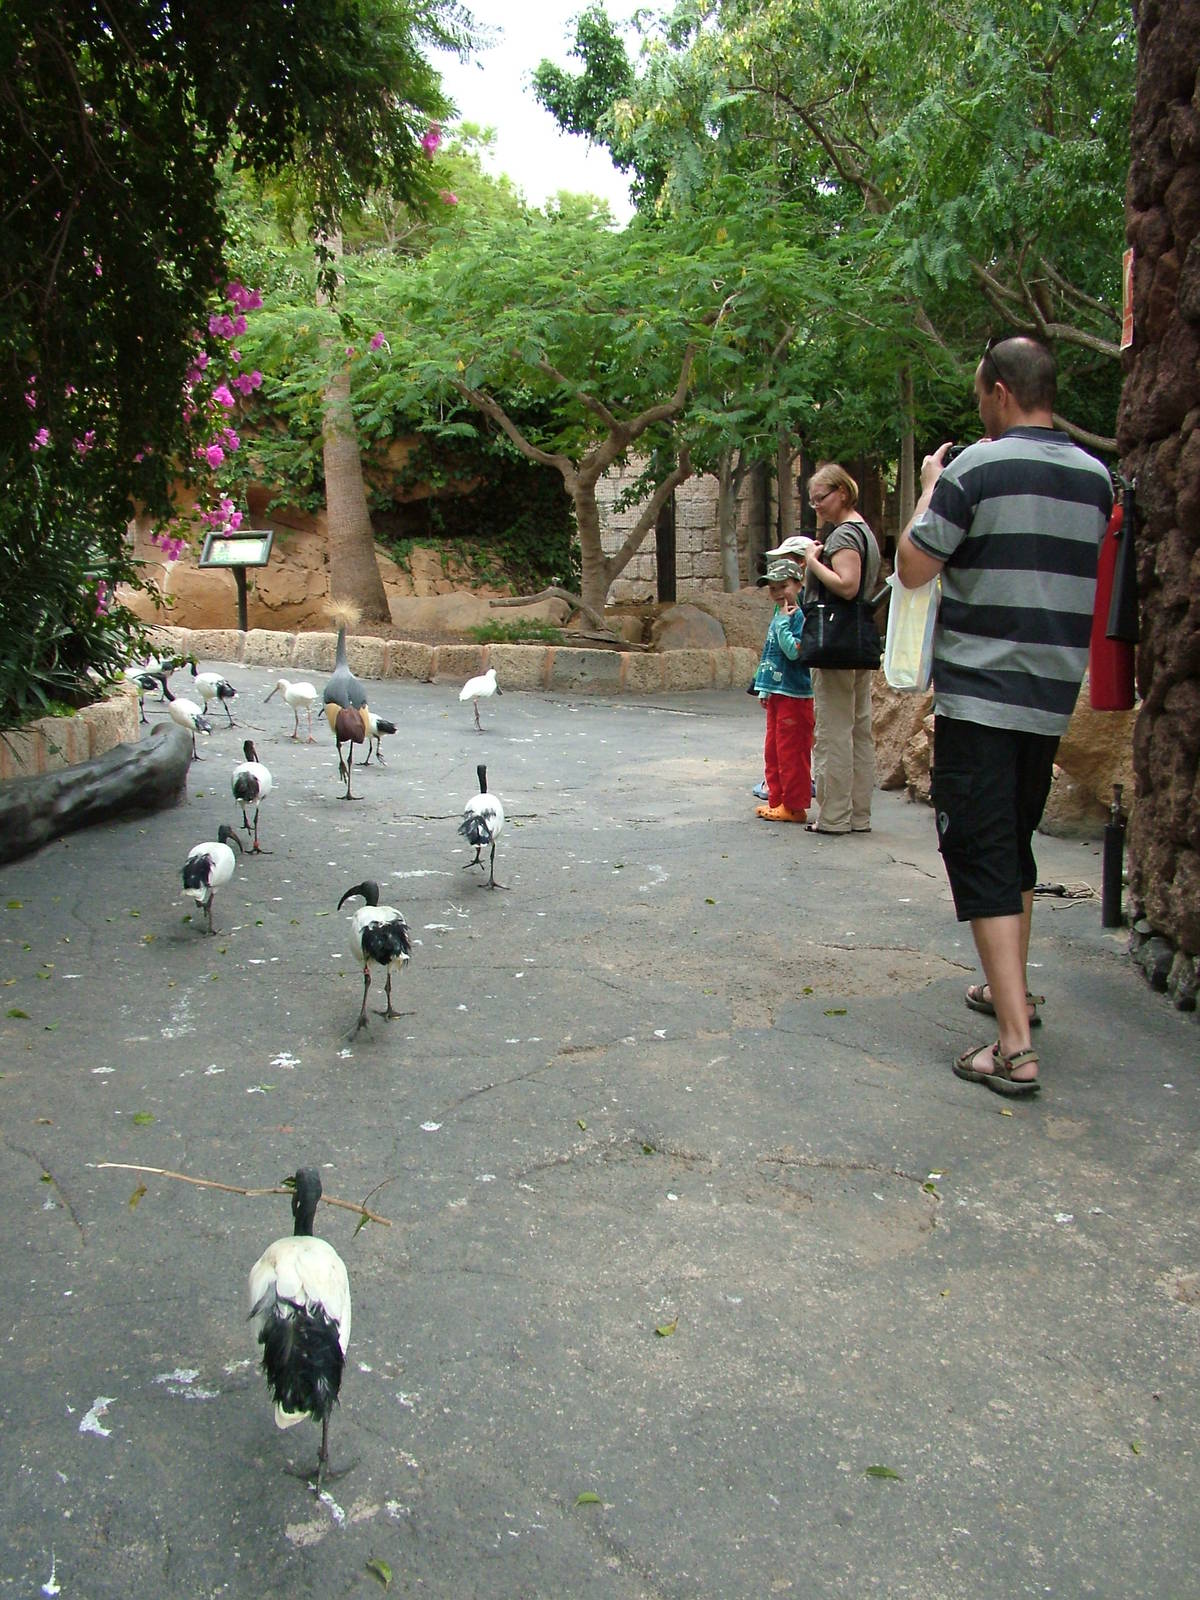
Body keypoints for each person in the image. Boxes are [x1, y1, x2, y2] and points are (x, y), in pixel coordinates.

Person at [895, 334, 1113, 1096]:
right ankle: (1005, 988)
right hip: (1050, 697)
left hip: (982, 694)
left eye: (979, 389)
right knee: (1012, 843)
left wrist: (932, 483)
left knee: (981, 853)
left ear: (998, 390)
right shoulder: (1097, 479)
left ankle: (1014, 1047)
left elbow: (913, 565)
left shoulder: (975, 471)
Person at [790, 465, 881, 835]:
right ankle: (857, 814)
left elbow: (847, 585)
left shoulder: (844, 536)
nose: (818, 507)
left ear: (842, 492)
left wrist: (811, 562)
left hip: (835, 641)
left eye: (822, 498)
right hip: (856, 640)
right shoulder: (865, 532)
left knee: (833, 729)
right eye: (812, 501)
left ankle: (834, 816)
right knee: (859, 728)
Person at [752, 557, 814, 823]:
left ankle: (794, 805)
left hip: (794, 694)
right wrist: (763, 687)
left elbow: (793, 652)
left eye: (783, 586)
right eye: (772, 587)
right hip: (777, 691)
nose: (777, 592)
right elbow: (770, 653)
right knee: (774, 749)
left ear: (799, 585)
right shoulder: (779, 615)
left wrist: (784, 626)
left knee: (792, 751)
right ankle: (777, 799)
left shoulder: (796, 617)